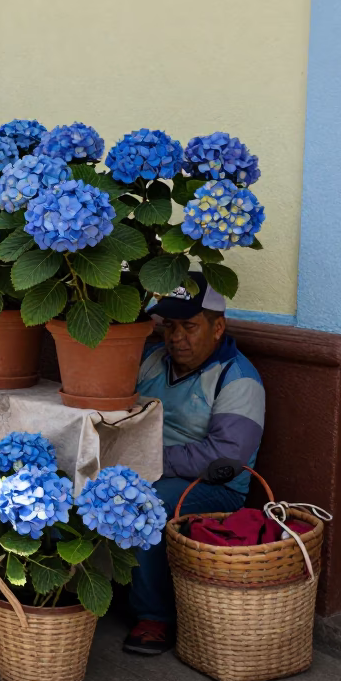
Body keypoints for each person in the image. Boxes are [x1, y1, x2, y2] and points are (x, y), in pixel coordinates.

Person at [123, 272, 266, 656]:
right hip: (148, 468)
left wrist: (148, 462)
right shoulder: (155, 359)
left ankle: (155, 617)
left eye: (189, 326)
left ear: (218, 327)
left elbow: (225, 458)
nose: (176, 337)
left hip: (213, 487)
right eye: (169, 326)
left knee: (147, 504)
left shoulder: (238, 379)